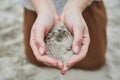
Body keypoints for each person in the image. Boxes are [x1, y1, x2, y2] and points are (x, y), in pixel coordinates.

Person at [21, 0, 107, 74]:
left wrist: (75, 7)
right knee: (37, 58)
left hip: (84, 7)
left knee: (93, 62)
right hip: (38, 7)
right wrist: (44, 9)